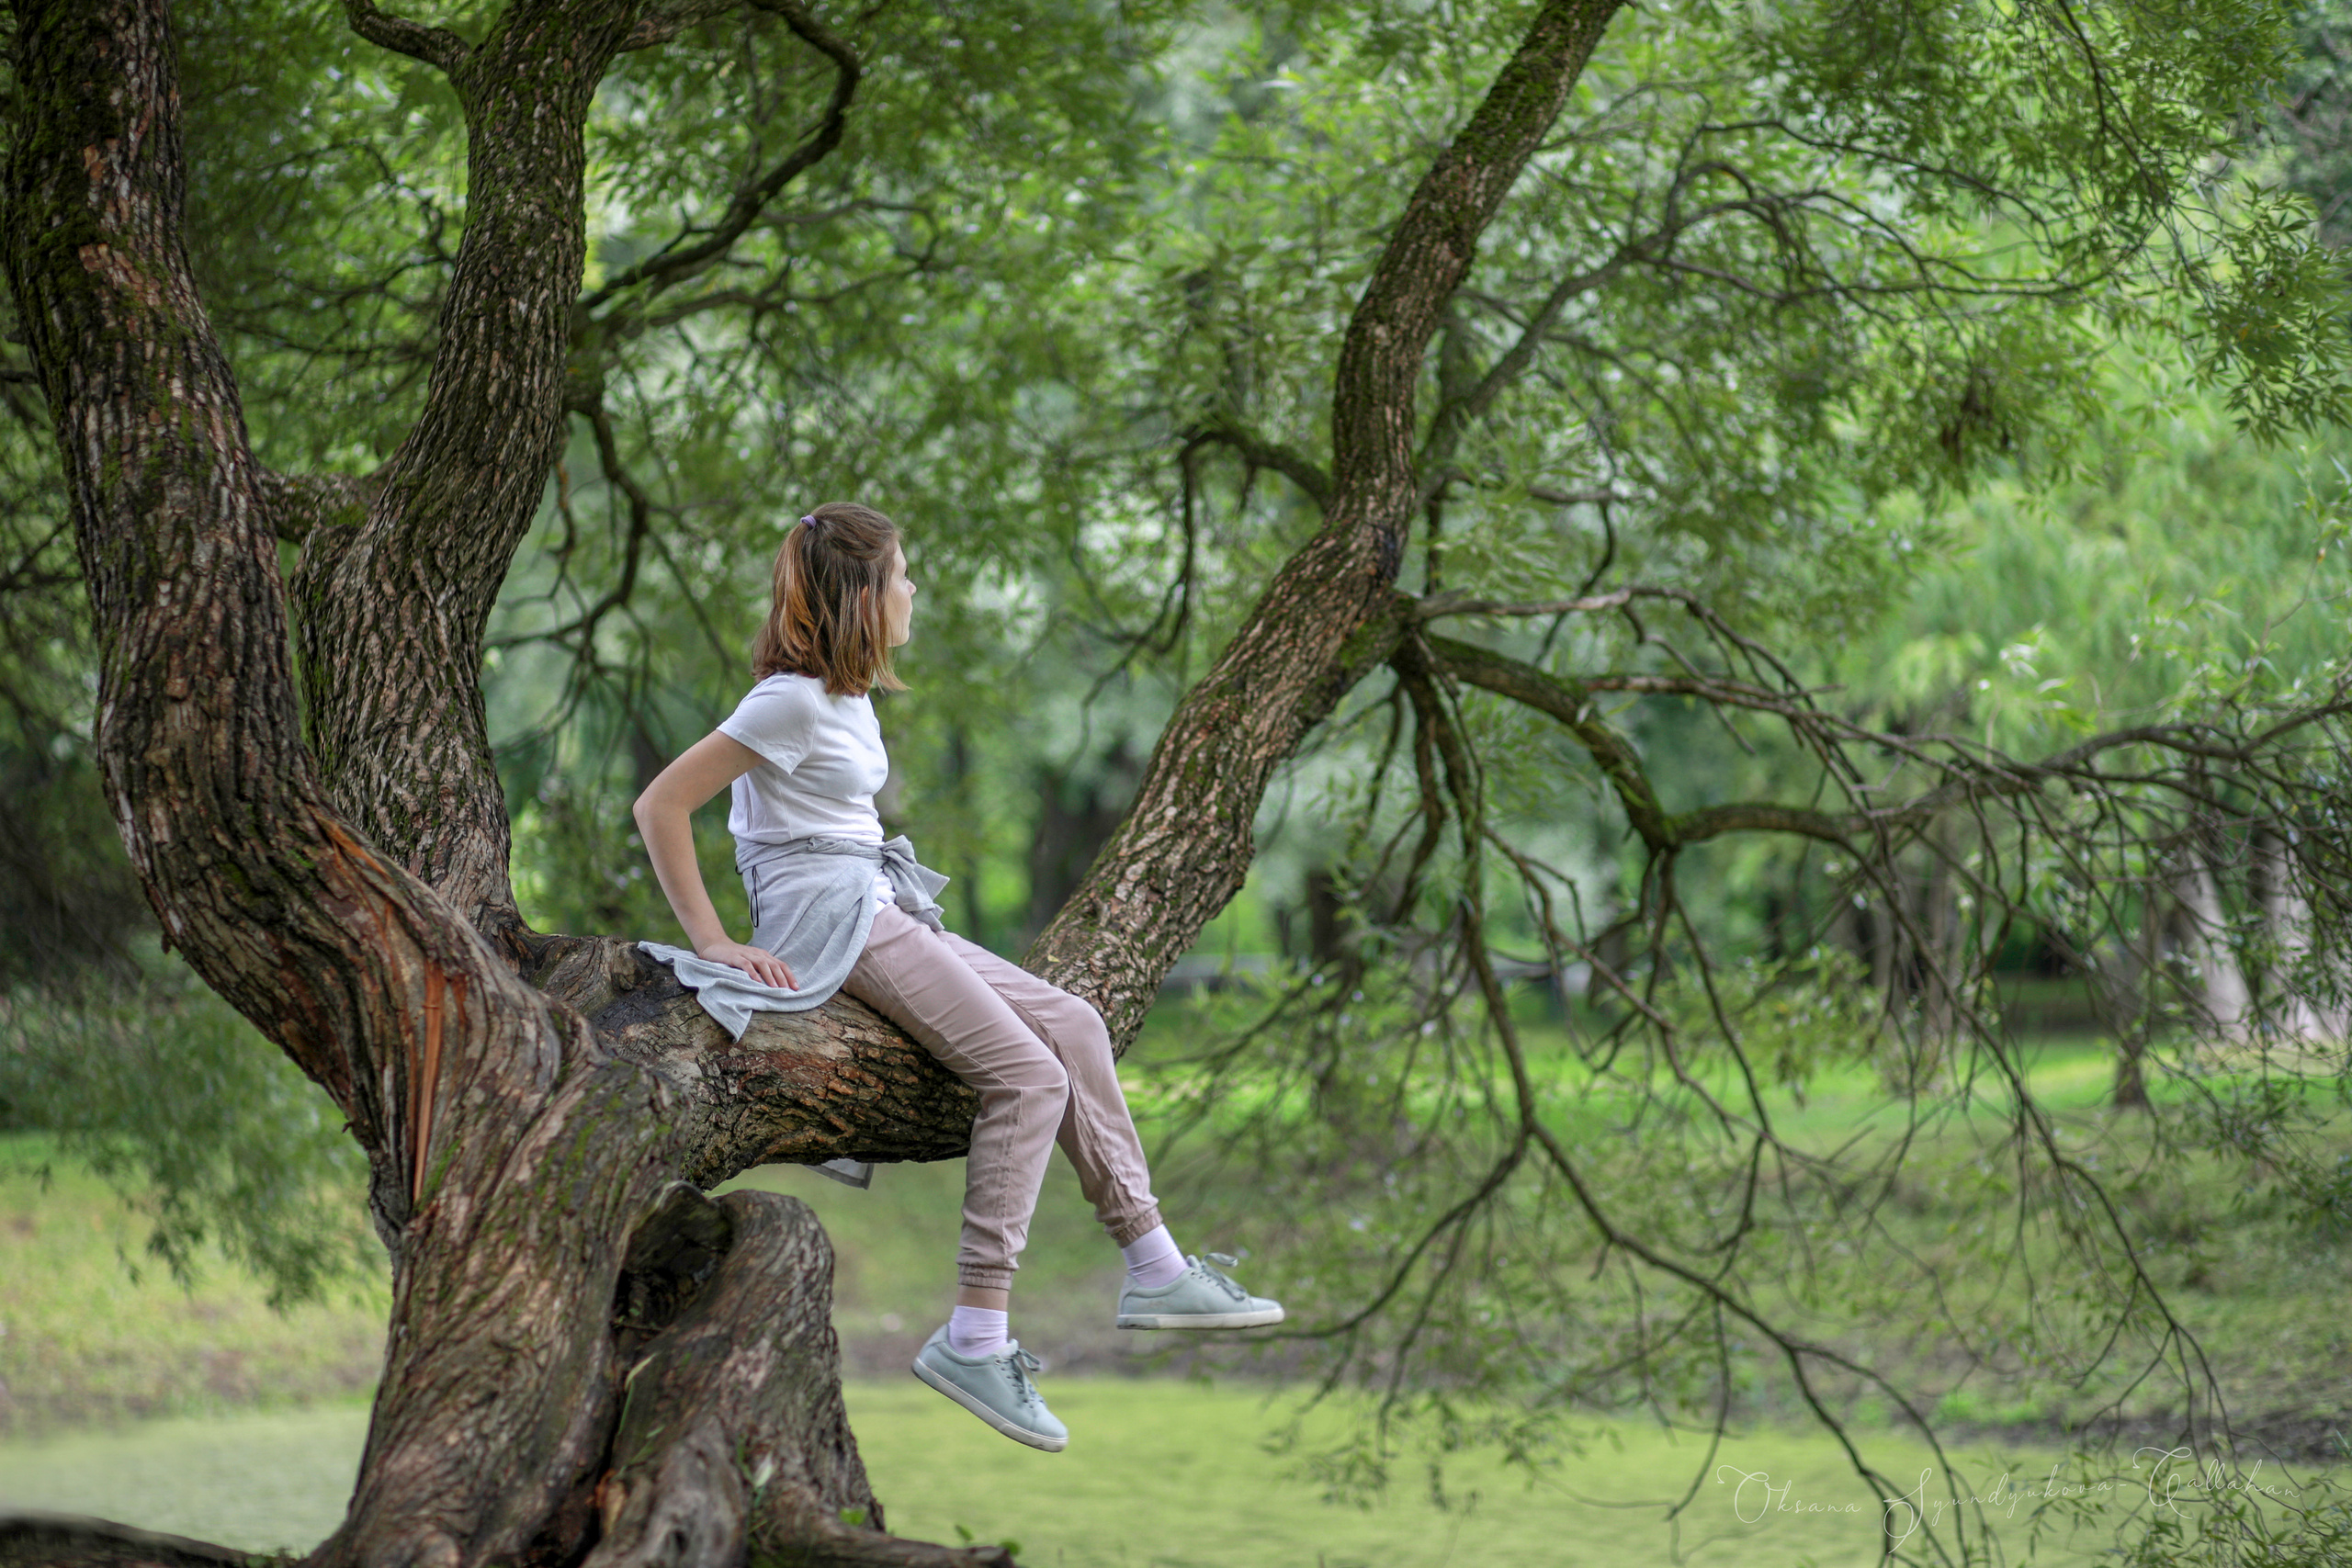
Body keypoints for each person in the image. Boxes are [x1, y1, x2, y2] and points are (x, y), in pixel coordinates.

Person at [632, 501, 1282, 1452]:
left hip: (872, 901)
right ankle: (976, 1333)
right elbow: (663, 803)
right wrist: (716, 938)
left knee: (1072, 1023)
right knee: (1026, 1075)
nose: (912, 590)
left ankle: (1154, 1264)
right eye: (901, 575)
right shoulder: (786, 701)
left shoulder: (845, 699)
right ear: (862, 594)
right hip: (831, 918)